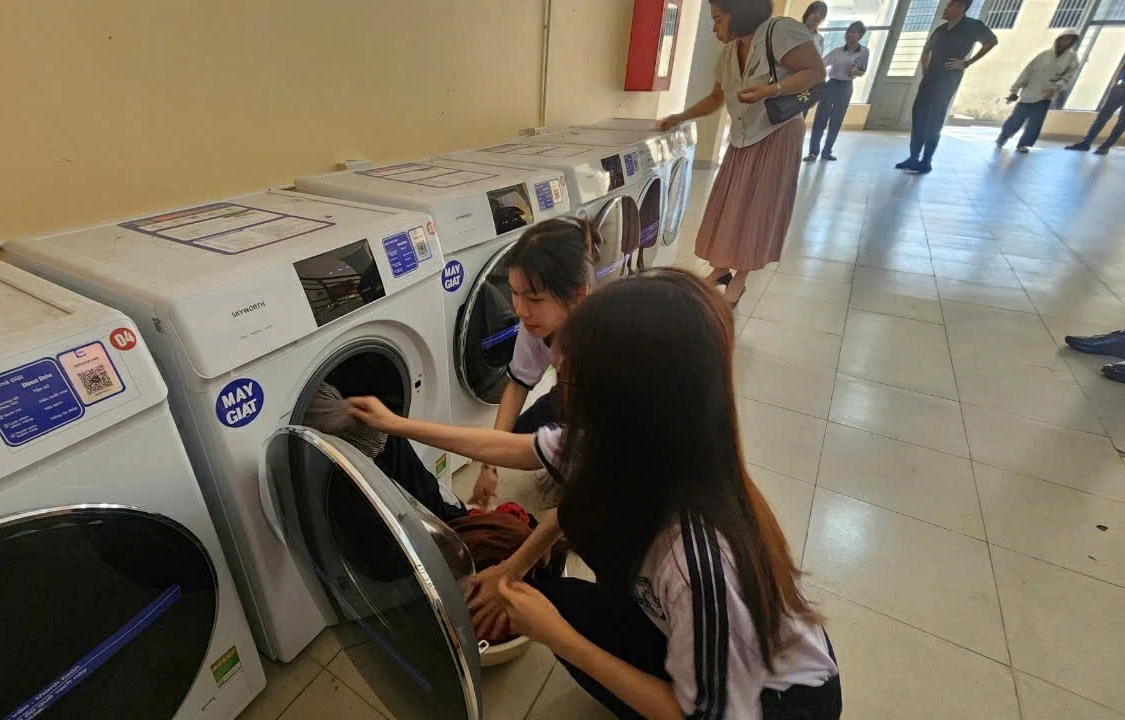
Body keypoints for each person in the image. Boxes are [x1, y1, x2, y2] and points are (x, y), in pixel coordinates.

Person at [347, 268, 841, 719]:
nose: (561, 385)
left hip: (779, 706)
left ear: (625, 397)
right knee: (561, 597)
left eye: (575, 375)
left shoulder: (698, 562)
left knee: (565, 621)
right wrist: (395, 424)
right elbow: (515, 457)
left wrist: (555, 635)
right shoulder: (634, 444)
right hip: (697, 633)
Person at [657, 0, 825, 305]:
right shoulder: (729, 53)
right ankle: (721, 269)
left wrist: (771, 90)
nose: (714, 28)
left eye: (718, 19)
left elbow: (816, 72)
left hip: (777, 134)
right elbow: (715, 99)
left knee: (758, 208)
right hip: (743, 136)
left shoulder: (780, 31)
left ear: (740, 13)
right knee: (729, 205)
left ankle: (741, 277)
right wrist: (680, 117)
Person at [469, 216, 600, 508]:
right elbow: (517, 387)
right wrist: (490, 464)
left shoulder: (606, 341)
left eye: (534, 299)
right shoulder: (535, 325)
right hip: (569, 396)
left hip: (606, 412)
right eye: (514, 293)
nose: (519, 310)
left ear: (578, 295)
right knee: (512, 441)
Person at [896, 0, 998, 174]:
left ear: (961, 7)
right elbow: (926, 51)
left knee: (934, 121)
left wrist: (966, 63)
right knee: (919, 117)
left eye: (950, 5)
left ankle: (926, 161)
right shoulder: (940, 30)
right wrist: (925, 71)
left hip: (947, 80)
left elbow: (992, 41)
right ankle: (913, 157)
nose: (946, 8)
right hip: (930, 79)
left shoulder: (972, 26)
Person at [997, 32, 1080, 153]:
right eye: (1064, 38)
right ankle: (1003, 137)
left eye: (1069, 39)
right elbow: (1027, 72)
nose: (1065, 41)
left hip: (1046, 96)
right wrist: (1015, 90)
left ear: (1072, 42)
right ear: (1058, 39)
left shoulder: (1071, 57)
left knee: (1035, 123)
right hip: (1029, 92)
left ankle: (1023, 144)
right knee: (1015, 119)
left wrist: (1055, 87)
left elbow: (1068, 76)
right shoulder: (1044, 55)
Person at [805, 21, 870, 162]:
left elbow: (863, 71)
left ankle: (827, 152)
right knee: (820, 119)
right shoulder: (838, 51)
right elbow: (821, 64)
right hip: (832, 85)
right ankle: (813, 153)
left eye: (853, 32)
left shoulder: (864, 52)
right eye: (848, 31)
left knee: (836, 120)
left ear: (860, 35)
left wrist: (855, 71)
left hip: (846, 87)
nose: (849, 35)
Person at [1066, 64, 1125, 155]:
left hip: (1120, 88)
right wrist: (1115, 81)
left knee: (1122, 122)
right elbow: (1123, 65)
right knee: (1102, 116)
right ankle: (1085, 143)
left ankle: (1105, 147)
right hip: (1121, 87)